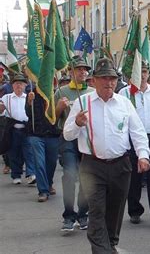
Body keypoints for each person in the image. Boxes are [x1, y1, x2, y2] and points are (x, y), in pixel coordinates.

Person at [63, 58, 150, 253]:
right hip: (92, 167)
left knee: (115, 211)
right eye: (104, 78)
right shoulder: (82, 102)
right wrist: (77, 123)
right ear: (93, 80)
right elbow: (67, 134)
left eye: (112, 78)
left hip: (121, 165)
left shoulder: (124, 103)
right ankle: (102, 250)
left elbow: (137, 132)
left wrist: (143, 155)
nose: (109, 82)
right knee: (97, 211)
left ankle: (110, 244)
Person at [118, 61, 150, 227]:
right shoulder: (125, 93)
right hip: (132, 140)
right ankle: (134, 210)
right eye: (139, 72)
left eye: (145, 72)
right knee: (134, 178)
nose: (142, 76)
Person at [54, 56, 94, 232]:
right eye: (79, 69)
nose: (83, 72)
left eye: (85, 69)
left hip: (87, 140)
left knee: (87, 178)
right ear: (71, 71)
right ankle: (68, 216)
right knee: (70, 175)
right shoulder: (61, 92)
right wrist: (59, 108)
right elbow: (53, 119)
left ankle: (83, 214)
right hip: (68, 139)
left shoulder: (93, 92)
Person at [26, 80, 61, 202]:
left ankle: (49, 183)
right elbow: (28, 114)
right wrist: (29, 102)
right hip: (36, 134)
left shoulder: (57, 94)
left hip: (53, 134)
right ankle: (43, 191)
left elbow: (60, 116)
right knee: (39, 162)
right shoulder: (32, 93)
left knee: (51, 163)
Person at [0, 73, 35, 185]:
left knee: (29, 151)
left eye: (21, 83)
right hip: (13, 129)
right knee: (14, 152)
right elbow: (1, 112)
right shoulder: (6, 98)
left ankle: (30, 174)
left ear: (25, 85)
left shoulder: (29, 97)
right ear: (12, 85)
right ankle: (16, 174)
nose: (18, 86)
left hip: (26, 129)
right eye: (16, 83)